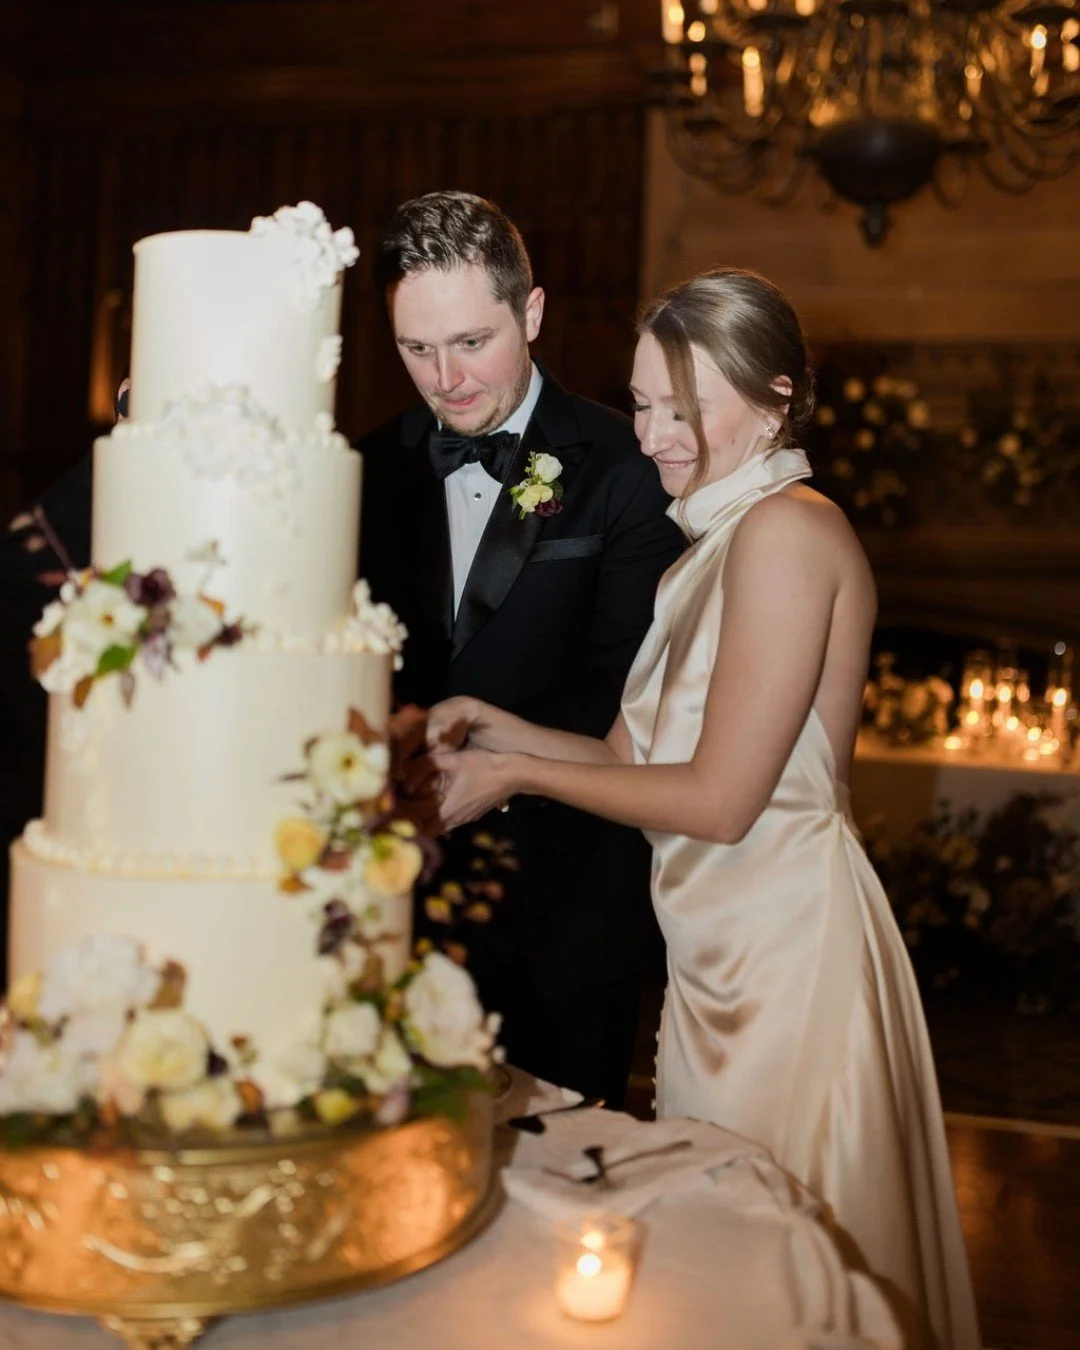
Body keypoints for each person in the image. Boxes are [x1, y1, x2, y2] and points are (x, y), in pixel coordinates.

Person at [425, 268, 980, 1349]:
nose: (653, 434)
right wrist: (488, 724)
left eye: (686, 406)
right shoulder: (705, 553)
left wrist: (516, 778)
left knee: (784, 1281)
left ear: (776, 397)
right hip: (713, 962)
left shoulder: (787, 532)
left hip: (788, 966)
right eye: (640, 404)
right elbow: (632, 758)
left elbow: (721, 803)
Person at [355, 191, 686, 1108]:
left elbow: (627, 696)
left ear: (530, 312)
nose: (445, 378)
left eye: (472, 342)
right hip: (400, 915)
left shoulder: (627, 470)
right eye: (416, 349)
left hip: (569, 914)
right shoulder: (364, 468)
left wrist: (486, 766)